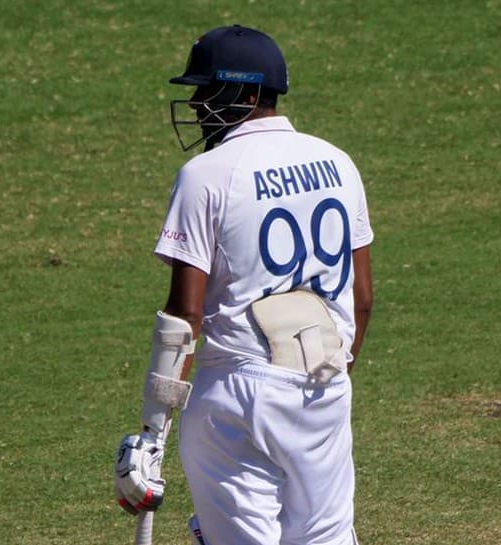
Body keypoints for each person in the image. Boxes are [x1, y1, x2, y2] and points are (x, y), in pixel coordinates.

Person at [115, 24, 374, 545]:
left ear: (249, 94)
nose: (195, 102)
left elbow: (184, 318)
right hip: (326, 382)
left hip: (237, 396)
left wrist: (152, 433)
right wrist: (329, 378)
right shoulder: (339, 163)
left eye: (208, 90)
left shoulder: (206, 174)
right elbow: (362, 299)